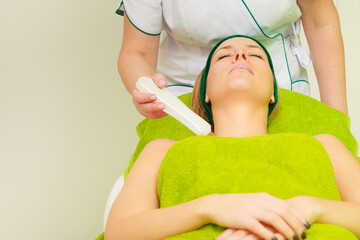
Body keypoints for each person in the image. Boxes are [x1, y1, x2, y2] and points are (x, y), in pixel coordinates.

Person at [104, 36, 360, 240]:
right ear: (205, 92)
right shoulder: (161, 150)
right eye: (224, 56)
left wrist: (309, 207)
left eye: (257, 55)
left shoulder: (324, 144)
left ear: (273, 92)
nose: (240, 55)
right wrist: (209, 208)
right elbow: (118, 233)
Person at [116, 0, 348, 119]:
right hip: (182, 101)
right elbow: (137, 52)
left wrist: (337, 120)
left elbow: (321, 23)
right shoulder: (166, 152)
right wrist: (145, 88)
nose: (238, 57)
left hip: (280, 87)